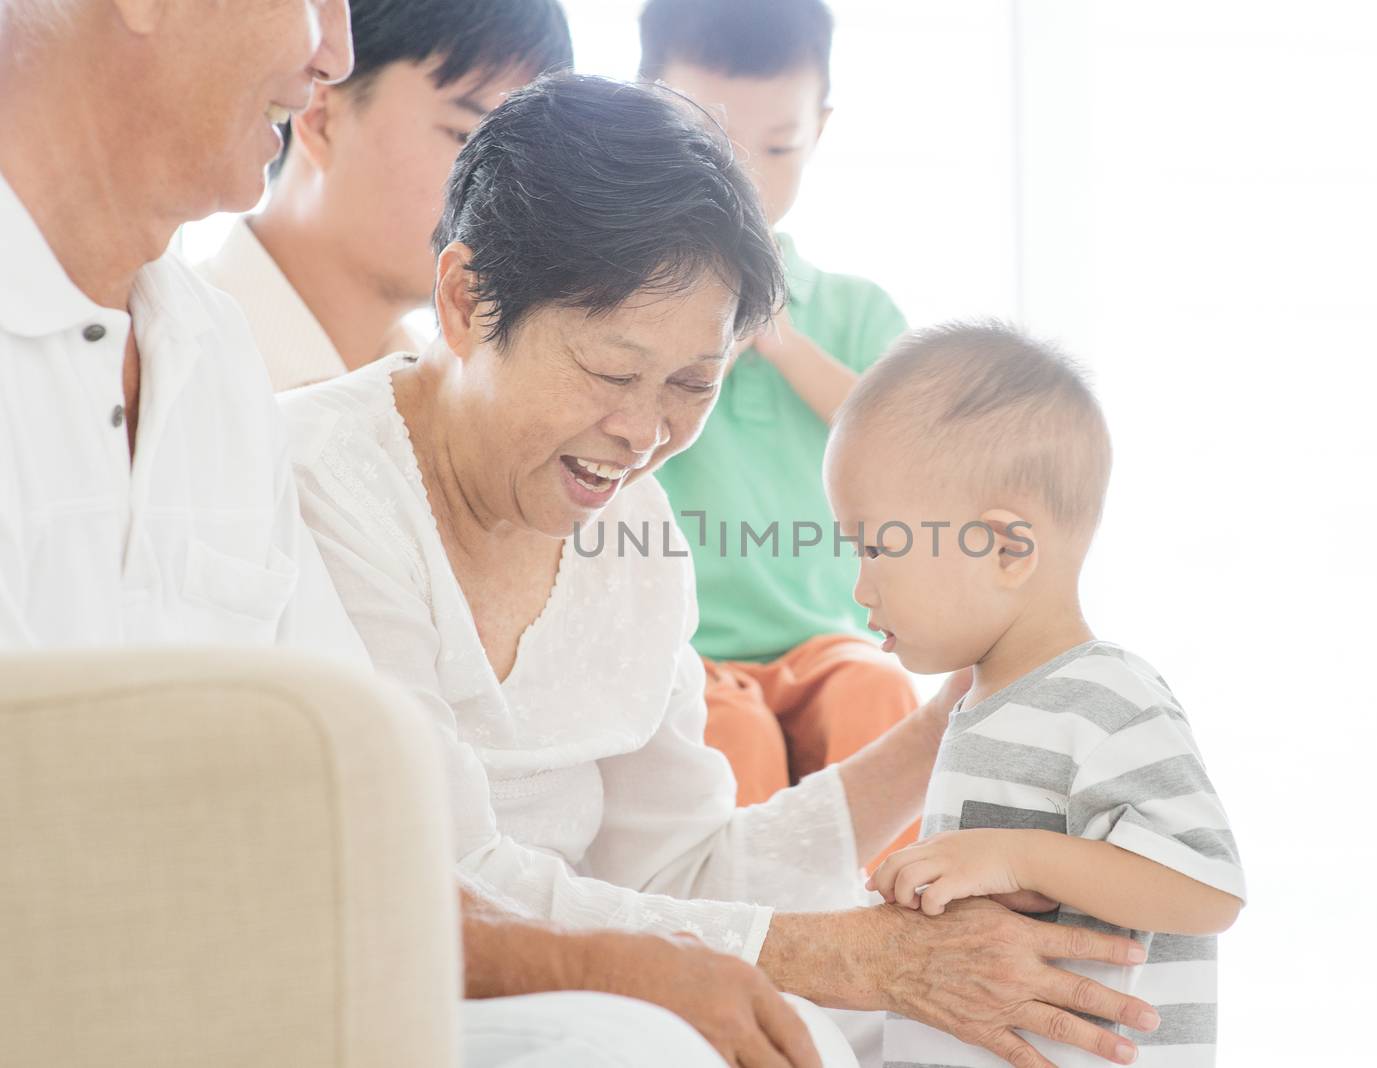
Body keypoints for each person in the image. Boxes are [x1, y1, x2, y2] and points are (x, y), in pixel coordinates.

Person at [0, 2, 837, 1065]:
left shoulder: (205, 358)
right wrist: (611, 970)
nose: (334, 55)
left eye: (685, 383)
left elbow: (363, 830)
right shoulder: (328, 446)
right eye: (311, 0)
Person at [280, 72, 1160, 1068]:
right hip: (412, 988)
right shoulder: (317, 485)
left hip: (612, 984)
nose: (642, 433)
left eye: (693, 384)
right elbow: (450, 887)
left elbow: (682, 872)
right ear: (466, 302)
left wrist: (959, 707)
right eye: (611, 373)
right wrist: (842, 958)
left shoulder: (635, 531)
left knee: (937, 1037)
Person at [824, 322, 1248, 1067]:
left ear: (1006, 547)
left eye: (876, 549)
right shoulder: (991, 707)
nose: (859, 587)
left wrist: (1015, 857)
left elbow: (1205, 888)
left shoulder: (1103, 696)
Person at [639, 0, 922, 832]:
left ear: (820, 130)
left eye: (780, 147)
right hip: (689, 652)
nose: (747, 180)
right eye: (714, 148)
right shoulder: (626, 311)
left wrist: (785, 344)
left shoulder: (857, 311)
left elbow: (917, 457)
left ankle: (894, 934)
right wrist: (700, 355)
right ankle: (759, 951)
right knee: (731, 740)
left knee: (879, 694)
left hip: (828, 637)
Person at [196, 0, 572, 391]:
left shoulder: (454, 401)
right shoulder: (166, 353)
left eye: (524, 159)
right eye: (465, 137)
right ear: (321, 117)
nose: (508, 191)